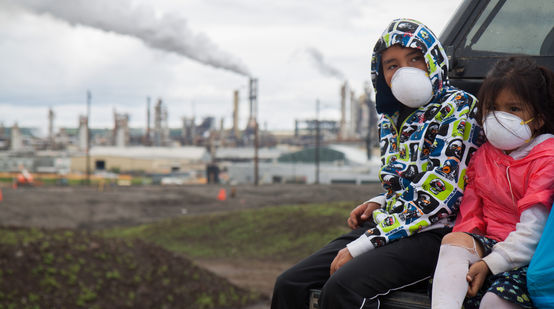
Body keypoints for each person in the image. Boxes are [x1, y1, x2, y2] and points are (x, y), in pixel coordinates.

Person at [271, 18, 482, 309]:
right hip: (393, 224)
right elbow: (407, 178)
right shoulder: (389, 115)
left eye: (415, 59)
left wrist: (360, 246)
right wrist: (381, 200)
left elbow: (440, 196)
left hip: (436, 232)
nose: (404, 70)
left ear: (434, 59)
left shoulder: (459, 107)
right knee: (290, 283)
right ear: (381, 74)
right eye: (392, 65)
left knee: (344, 288)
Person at [431, 57, 554, 309]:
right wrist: (468, 258)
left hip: (529, 256)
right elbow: (470, 215)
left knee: (494, 302)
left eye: (513, 109)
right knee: (454, 243)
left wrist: (489, 264)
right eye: (493, 108)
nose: (500, 118)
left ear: (539, 119)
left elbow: (535, 231)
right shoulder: (484, 155)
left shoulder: (547, 158)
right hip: (491, 245)